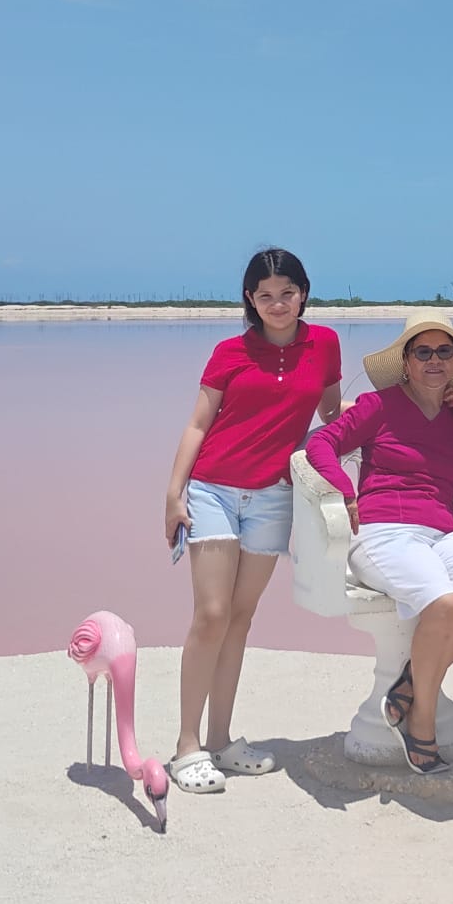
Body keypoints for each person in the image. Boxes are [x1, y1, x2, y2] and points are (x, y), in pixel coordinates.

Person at [163, 247, 343, 796]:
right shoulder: (229, 351)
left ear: (304, 293)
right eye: (265, 296)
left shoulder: (326, 345)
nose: (277, 303)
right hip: (214, 489)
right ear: (250, 299)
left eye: (287, 292)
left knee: (241, 618)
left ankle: (221, 740)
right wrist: (174, 494)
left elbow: (334, 418)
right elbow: (199, 424)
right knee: (211, 615)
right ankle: (186, 747)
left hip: (274, 496)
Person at [305, 313, 453, 775]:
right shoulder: (377, 405)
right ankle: (420, 723)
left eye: (444, 351)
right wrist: (344, 490)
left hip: (441, 533)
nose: (434, 360)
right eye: (424, 352)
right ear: (406, 362)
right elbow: (322, 444)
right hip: (382, 532)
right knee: (444, 606)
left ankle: (409, 685)